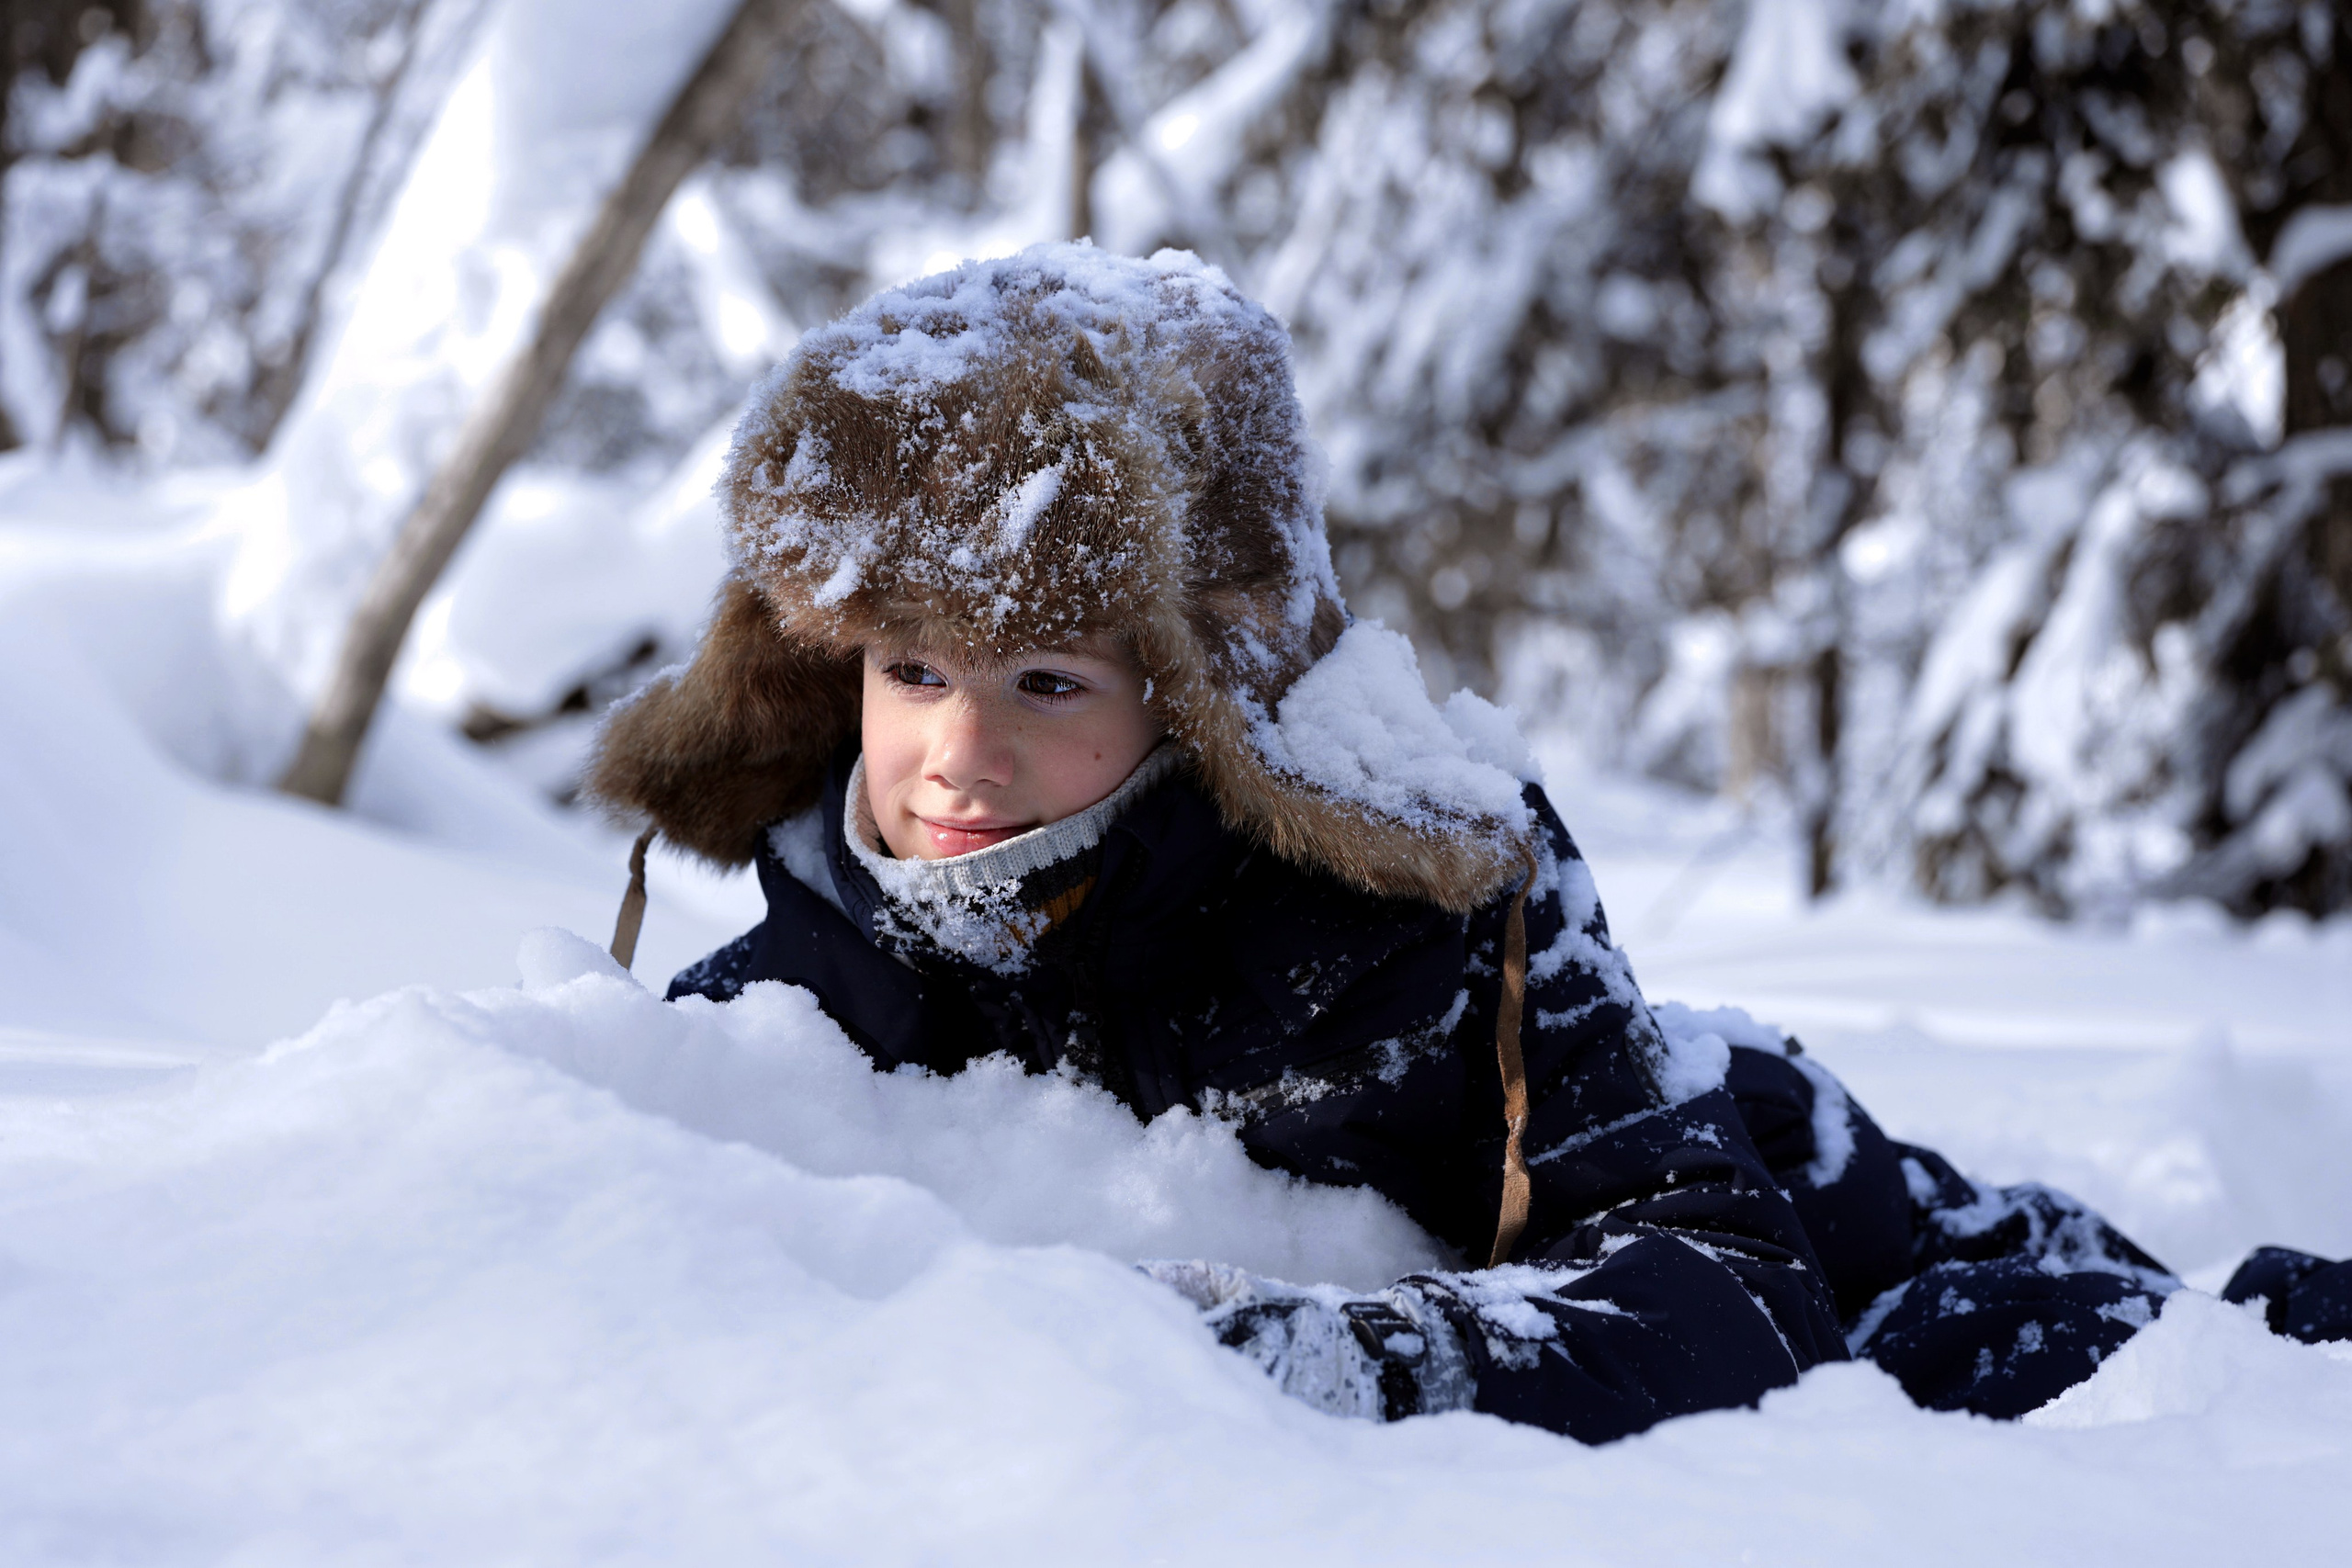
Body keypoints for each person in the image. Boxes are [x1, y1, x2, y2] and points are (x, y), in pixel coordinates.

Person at [587, 243, 2349, 1441]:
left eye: (1048, 677)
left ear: (1205, 696)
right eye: (911, 669)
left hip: (1815, 1212)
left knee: (2156, 1368)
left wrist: (1315, 1361)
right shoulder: (820, 957)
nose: (956, 752)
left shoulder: (1414, 902)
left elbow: (1731, 1297)